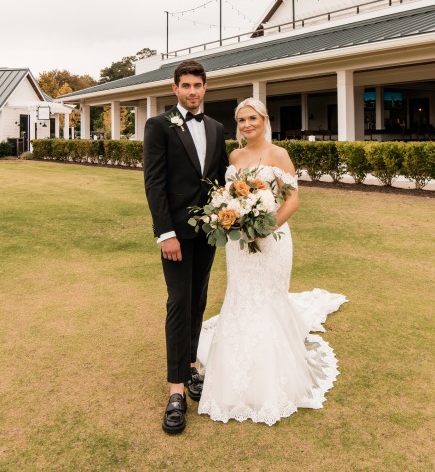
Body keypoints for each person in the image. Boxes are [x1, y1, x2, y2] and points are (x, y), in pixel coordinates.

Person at [197, 97, 347, 425]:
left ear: (265, 119)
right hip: (238, 244)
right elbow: (228, 197)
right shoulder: (234, 156)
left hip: (272, 241)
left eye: (253, 118)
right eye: (241, 120)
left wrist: (265, 227)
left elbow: (292, 199)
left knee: (268, 299)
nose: (247, 124)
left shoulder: (279, 155)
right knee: (240, 297)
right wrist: (234, 220)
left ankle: (272, 377)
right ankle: (236, 372)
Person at [143, 59, 228, 434]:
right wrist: (165, 233)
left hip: (208, 233)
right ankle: (176, 389)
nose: (192, 91)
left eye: (198, 85)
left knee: (198, 300)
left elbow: (221, 179)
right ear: (174, 88)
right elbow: (154, 182)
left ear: (205, 88)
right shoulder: (158, 126)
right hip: (175, 234)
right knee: (179, 302)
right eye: (186, 85)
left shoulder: (216, 128)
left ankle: (191, 365)